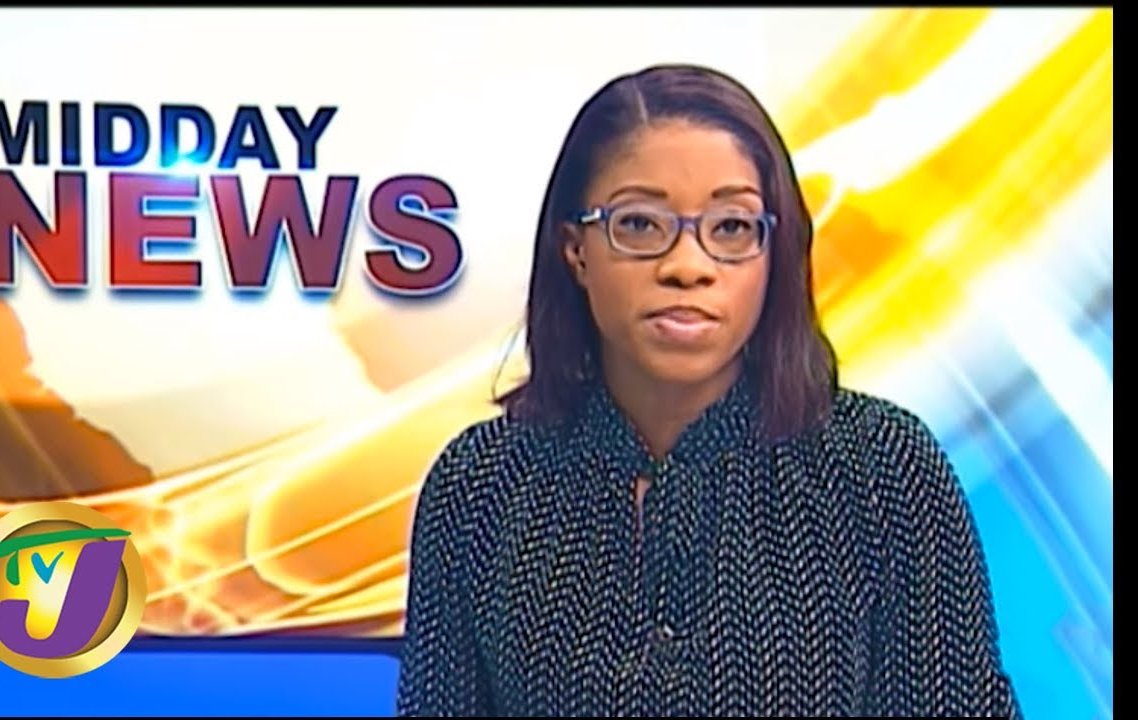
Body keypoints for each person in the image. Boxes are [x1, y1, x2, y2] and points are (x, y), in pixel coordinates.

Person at [395, 64, 1022, 718]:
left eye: (731, 228)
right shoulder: (481, 484)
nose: (687, 267)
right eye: (640, 224)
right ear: (575, 249)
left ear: (775, 252)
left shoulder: (882, 468)